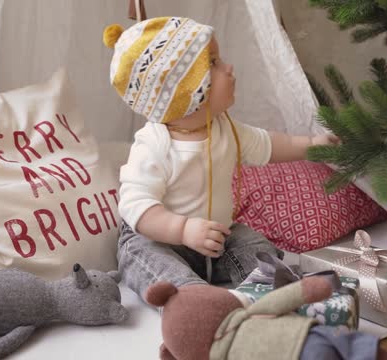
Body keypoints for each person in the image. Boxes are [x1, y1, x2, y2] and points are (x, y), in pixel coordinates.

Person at [102, 17, 340, 300]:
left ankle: (276, 292)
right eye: (214, 63)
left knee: (252, 243)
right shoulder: (154, 144)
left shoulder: (225, 128)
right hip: (160, 238)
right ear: (184, 91)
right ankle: (193, 302)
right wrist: (183, 229)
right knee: (141, 256)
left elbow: (271, 144)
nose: (228, 68)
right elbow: (137, 207)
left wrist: (311, 144)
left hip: (215, 238)